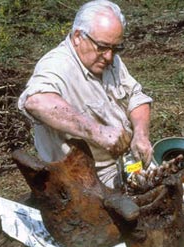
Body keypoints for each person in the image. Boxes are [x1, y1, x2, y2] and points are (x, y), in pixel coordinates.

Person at [18, 0, 153, 188]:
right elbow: (36, 101)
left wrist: (141, 134)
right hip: (87, 179)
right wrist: (98, 132)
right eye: (102, 47)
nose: (109, 57)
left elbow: (136, 97)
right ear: (78, 37)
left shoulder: (111, 59)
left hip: (127, 163)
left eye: (116, 48)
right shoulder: (58, 65)